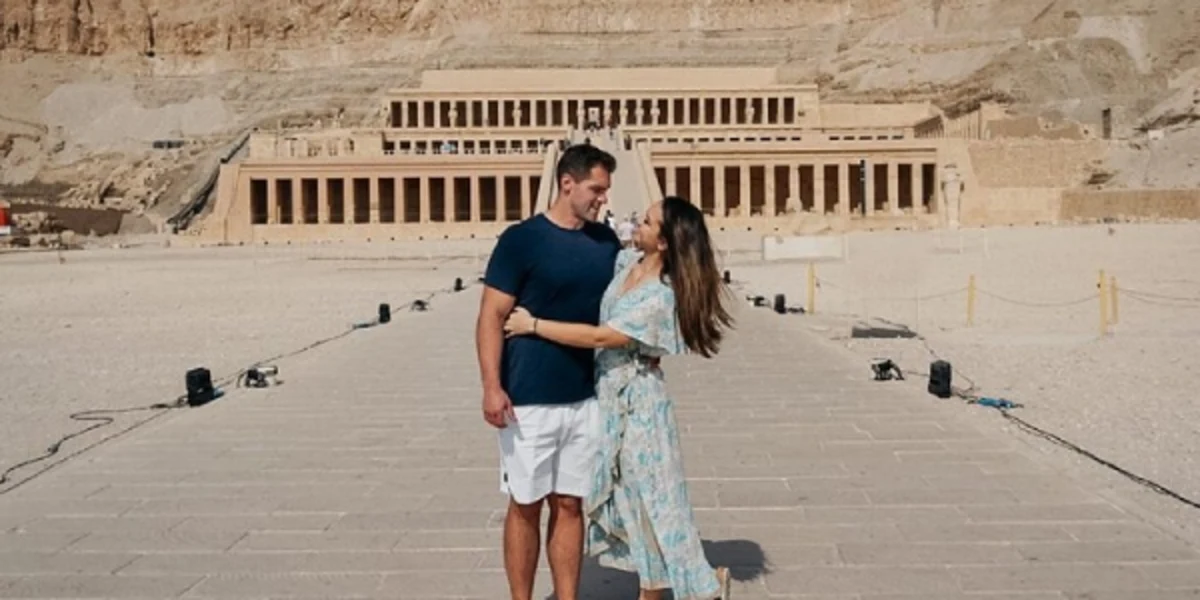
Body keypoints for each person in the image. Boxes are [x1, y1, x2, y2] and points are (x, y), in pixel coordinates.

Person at [503, 196, 736, 600]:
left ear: (664, 242)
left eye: (646, 222)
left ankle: (686, 586)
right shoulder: (627, 264)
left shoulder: (662, 295)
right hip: (608, 397)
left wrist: (533, 324)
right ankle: (667, 583)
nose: (635, 226)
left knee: (656, 498)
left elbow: (600, 336)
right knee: (627, 497)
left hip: (640, 404)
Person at [475, 144, 621, 600]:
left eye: (606, 191)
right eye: (596, 189)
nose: (603, 199)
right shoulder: (522, 240)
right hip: (529, 397)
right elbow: (490, 317)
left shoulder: (606, 243)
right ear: (567, 183)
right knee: (525, 504)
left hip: (585, 395)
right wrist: (492, 387)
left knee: (571, 503)